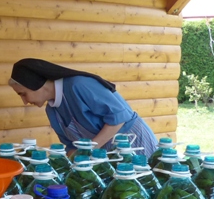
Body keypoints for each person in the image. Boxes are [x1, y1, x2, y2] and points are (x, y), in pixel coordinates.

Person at [9, 58, 159, 157]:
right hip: (104, 153)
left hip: (134, 142)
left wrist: (89, 150)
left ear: (35, 84)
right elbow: (71, 147)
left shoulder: (78, 85)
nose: (24, 101)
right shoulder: (52, 111)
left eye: (23, 94)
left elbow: (119, 117)